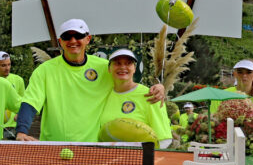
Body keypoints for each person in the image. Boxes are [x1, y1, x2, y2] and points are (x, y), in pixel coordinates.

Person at [15, 18, 164, 142]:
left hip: (94, 147)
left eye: (78, 36)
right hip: (54, 145)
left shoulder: (104, 67)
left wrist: (158, 88)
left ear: (88, 39)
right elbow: (30, 103)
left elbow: (128, 84)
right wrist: (21, 131)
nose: (73, 41)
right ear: (60, 41)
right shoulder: (44, 70)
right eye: (67, 37)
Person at [98, 49, 172, 148]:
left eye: (128, 63)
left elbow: (164, 140)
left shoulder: (151, 95)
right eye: (117, 63)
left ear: (134, 69)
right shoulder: (103, 95)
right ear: (109, 69)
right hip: (108, 158)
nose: (123, 67)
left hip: (140, 160)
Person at [0, 50, 26, 138]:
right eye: (3, 65)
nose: (7, 68)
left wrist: (19, 114)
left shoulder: (18, 80)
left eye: (9, 64)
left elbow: (23, 101)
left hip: (12, 127)